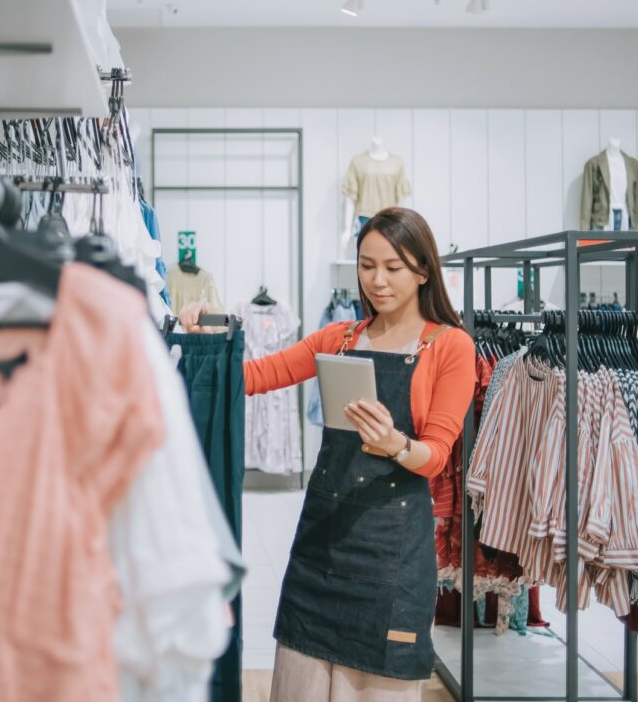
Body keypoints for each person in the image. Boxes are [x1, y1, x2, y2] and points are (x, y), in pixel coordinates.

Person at [179, 206, 476, 701]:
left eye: (393, 267)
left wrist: (397, 445)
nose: (377, 281)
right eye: (366, 265)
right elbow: (254, 377)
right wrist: (205, 340)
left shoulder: (450, 347)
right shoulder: (339, 338)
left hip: (392, 561)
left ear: (424, 270)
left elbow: (437, 456)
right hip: (320, 547)